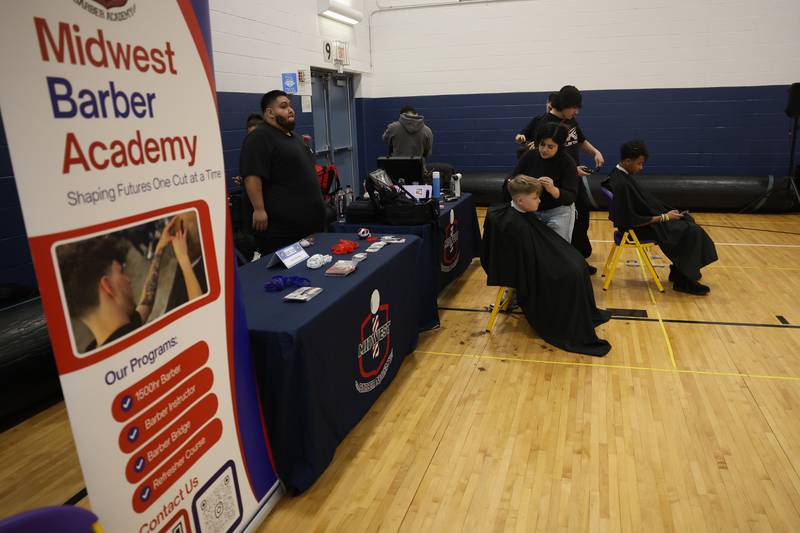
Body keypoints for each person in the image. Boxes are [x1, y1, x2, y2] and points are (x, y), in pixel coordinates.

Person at [482, 175, 611, 356]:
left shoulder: (521, 215)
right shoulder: (511, 223)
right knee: (570, 274)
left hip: (538, 258)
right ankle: (565, 320)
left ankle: (581, 313)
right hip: (528, 268)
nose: (540, 201)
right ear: (520, 200)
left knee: (578, 264)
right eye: (535, 197)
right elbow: (524, 261)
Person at [58, 218, 197, 351]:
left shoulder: (100, 346)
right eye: (121, 272)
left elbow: (145, 303)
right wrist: (184, 259)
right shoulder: (140, 346)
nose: (128, 280)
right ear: (108, 286)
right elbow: (199, 319)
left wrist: (160, 247)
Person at [602, 140, 718, 295]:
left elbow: (642, 204)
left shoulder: (620, 176)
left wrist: (668, 213)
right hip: (638, 229)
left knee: (687, 220)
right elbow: (630, 219)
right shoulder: (621, 183)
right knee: (692, 231)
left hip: (642, 223)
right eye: (639, 163)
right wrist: (664, 217)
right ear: (627, 161)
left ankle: (679, 271)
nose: (641, 167)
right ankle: (684, 281)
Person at [239, 90, 326, 254]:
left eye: (290, 106)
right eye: (284, 106)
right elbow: (252, 175)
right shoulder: (259, 137)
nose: (290, 110)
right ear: (270, 112)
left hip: (307, 225)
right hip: (281, 231)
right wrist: (259, 209)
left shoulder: (295, 137)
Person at [536, 85, 605, 272]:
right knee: (569, 223)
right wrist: (572, 169)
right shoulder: (546, 124)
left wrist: (595, 152)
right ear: (564, 105)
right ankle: (570, 262)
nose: (576, 112)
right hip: (558, 185)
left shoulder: (570, 120)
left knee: (582, 218)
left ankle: (578, 259)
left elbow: (580, 141)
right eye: (574, 107)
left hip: (574, 179)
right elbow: (544, 156)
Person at [504, 122, 578, 242]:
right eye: (542, 144)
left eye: (550, 147)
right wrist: (516, 184)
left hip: (558, 212)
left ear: (559, 146)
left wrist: (553, 189)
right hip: (531, 211)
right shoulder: (530, 155)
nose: (544, 150)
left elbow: (570, 197)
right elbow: (514, 178)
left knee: (557, 247)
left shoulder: (568, 163)